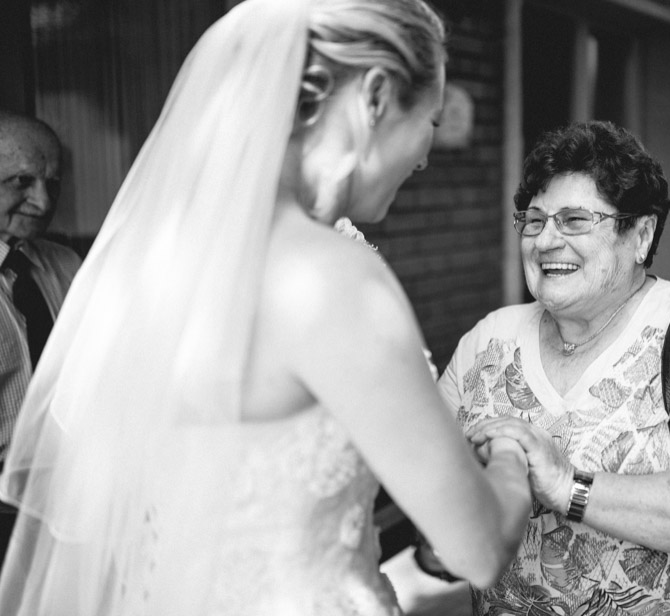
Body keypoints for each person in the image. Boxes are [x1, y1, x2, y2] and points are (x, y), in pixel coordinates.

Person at [0, 1, 532, 614]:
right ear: (377, 96)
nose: (425, 156)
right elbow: (479, 549)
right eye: (431, 121)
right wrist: (515, 459)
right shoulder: (329, 277)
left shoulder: (150, 266)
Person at [438, 121, 670, 614]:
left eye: (575, 220)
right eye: (534, 220)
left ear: (641, 234)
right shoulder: (488, 339)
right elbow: (430, 479)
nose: (545, 241)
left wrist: (567, 486)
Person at [0, 111, 81, 566]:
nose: (42, 199)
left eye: (53, 182)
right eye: (22, 181)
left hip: (65, 503)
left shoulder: (66, 264)